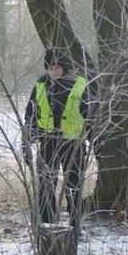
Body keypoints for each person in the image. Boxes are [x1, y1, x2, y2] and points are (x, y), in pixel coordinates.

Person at [24, 49, 91, 229]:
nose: (53, 72)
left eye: (57, 67)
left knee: (74, 184)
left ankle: (75, 223)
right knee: (46, 184)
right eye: (50, 68)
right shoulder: (40, 85)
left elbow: (90, 116)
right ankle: (47, 223)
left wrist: (96, 142)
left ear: (65, 67)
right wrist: (26, 142)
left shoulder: (80, 85)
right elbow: (31, 113)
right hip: (47, 141)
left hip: (73, 144)